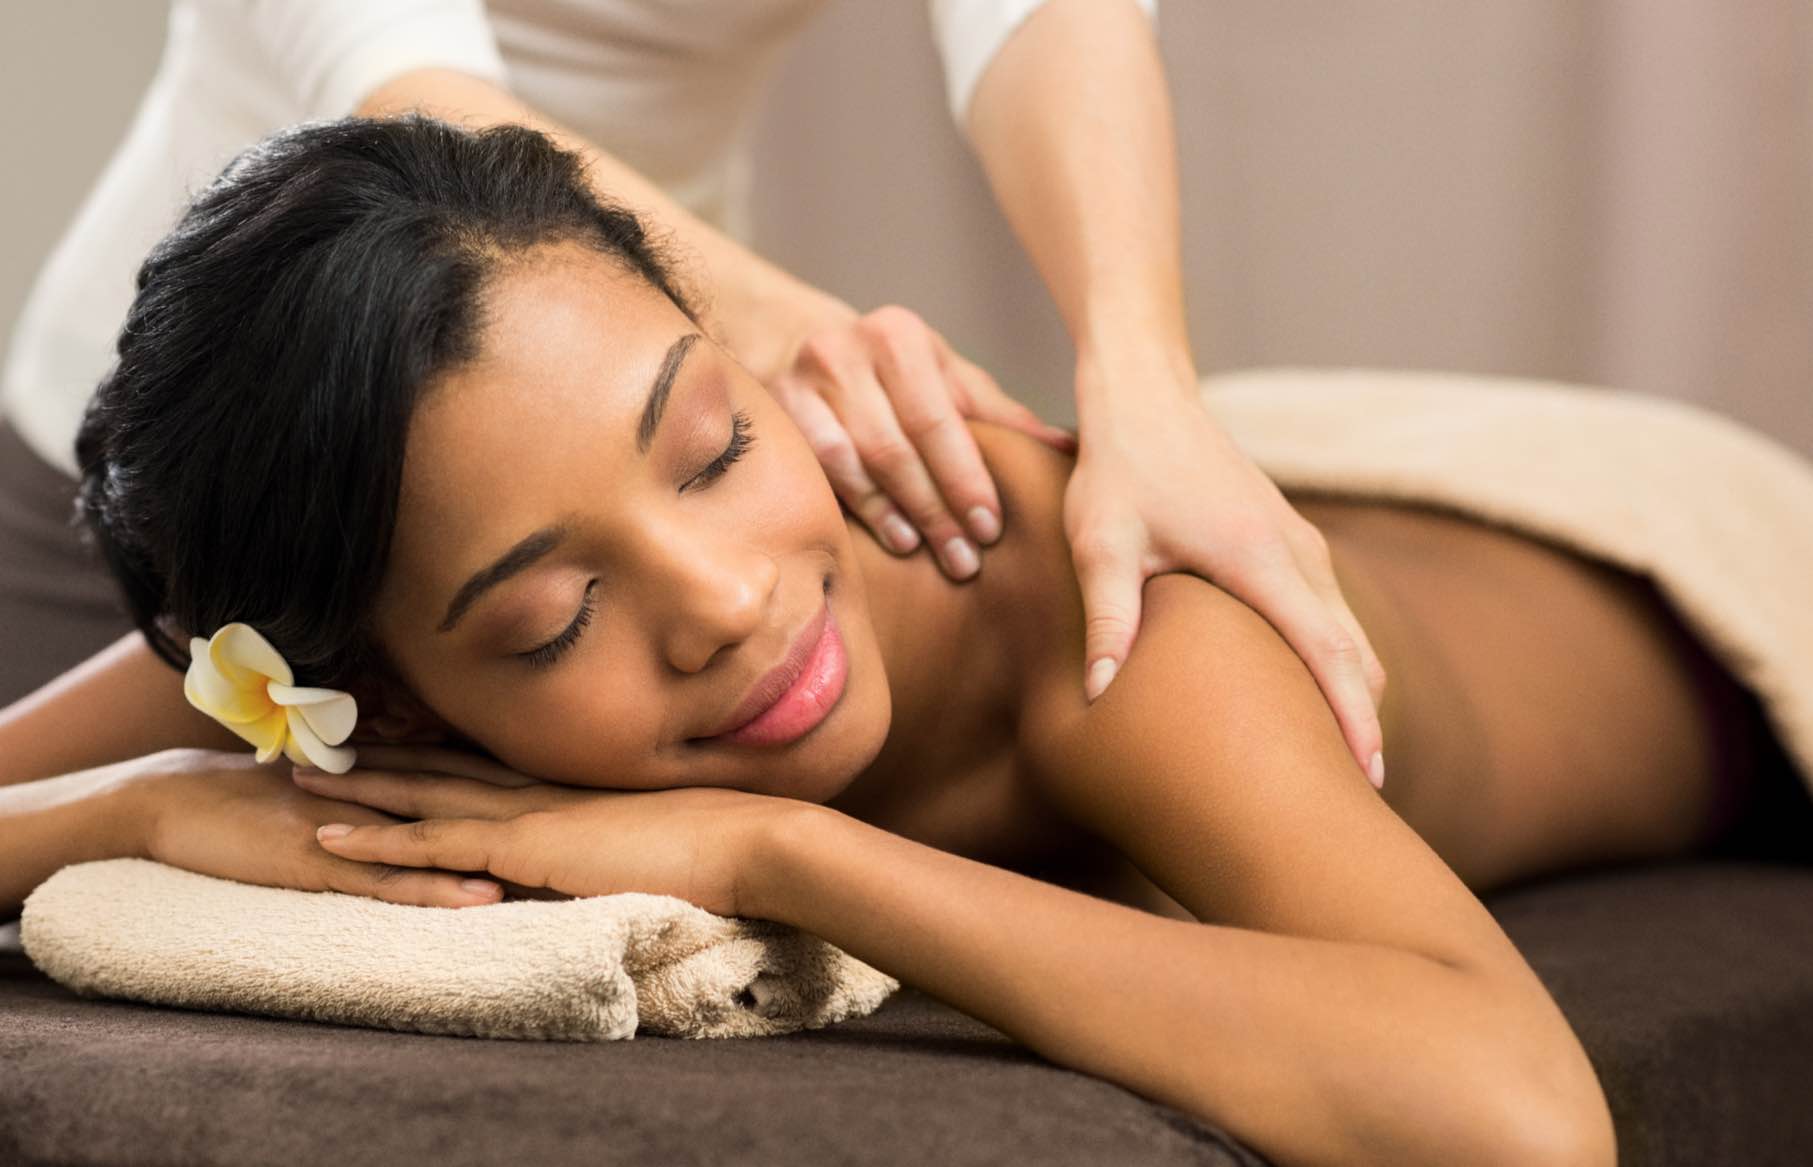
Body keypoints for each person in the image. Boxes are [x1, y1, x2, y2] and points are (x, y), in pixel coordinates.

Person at [15, 115, 1813, 1165]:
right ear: (381, 691)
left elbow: (1512, 1118)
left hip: (1670, 560)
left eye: (717, 442)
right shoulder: (340, 650)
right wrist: (144, 804)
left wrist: (792, 853)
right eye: (560, 616)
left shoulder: (1112, 638)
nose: (723, 598)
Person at [0, 0, 1389, 782]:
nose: (728, 603)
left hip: (585, 392)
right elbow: (409, 95)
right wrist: (751, 340)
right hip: (182, 451)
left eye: (722, 452)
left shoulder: (668, 545)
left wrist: (1143, 380)